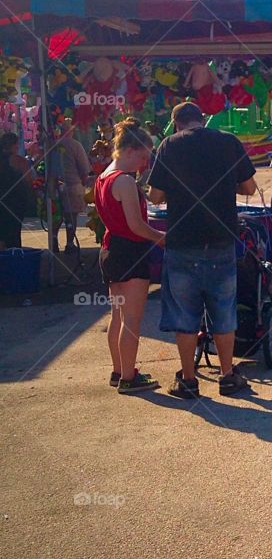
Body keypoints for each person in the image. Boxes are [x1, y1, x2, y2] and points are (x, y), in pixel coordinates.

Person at [146, 101, 258, 399]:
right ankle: (228, 375)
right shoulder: (228, 142)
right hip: (221, 241)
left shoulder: (169, 146)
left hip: (182, 243)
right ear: (202, 119)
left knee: (185, 315)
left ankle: (188, 380)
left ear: (176, 122)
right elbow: (248, 188)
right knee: (224, 311)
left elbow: (155, 196)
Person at [95, 121, 167, 394]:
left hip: (111, 249)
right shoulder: (124, 181)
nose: (145, 162)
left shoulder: (104, 175)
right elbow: (136, 225)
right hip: (130, 252)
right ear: (131, 150)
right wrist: (162, 239)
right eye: (144, 155)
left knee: (118, 316)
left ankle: (119, 370)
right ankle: (128, 377)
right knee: (133, 320)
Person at [49, 118, 91, 252]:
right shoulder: (76, 145)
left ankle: (54, 240)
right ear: (71, 131)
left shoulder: (53, 145)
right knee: (71, 216)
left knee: (56, 215)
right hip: (72, 185)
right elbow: (84, 169)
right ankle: (69, 243)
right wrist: (84, 184)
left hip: (54, 185)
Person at [0, 131, 34, 250]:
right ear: (14, 145)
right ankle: (13, 259)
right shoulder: (19, 161)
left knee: (2, 235)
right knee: (13, 234)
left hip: (3, 202)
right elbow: (29, 180)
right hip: (15, 203)